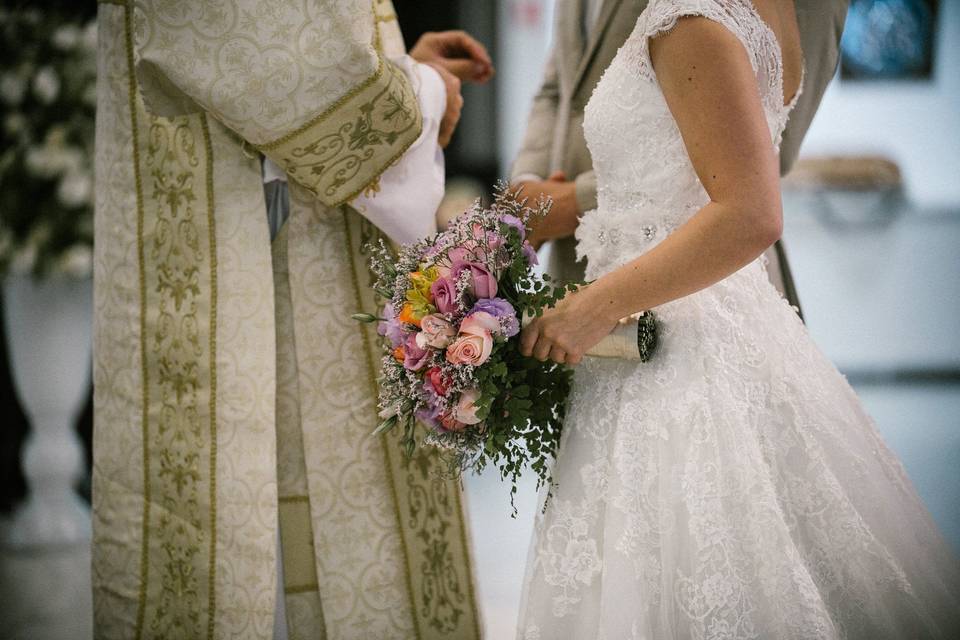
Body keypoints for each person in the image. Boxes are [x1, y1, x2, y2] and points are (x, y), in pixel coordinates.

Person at [517, 0, 960, 637]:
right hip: (700, 323)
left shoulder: (693, 16)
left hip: (673, 345)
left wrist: (595, 305)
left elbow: (752, 211)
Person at [91, 2, 489, 638]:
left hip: (285, 211)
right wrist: (422, 94)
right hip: (253, 224)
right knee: (248, 538)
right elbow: (262, 40)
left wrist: (392, 59)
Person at [511, 0, 850, 315]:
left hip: (700, 288)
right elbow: (559, 90)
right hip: (577, 267)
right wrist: (530, 192)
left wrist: (574, 201)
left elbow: (773, 142)